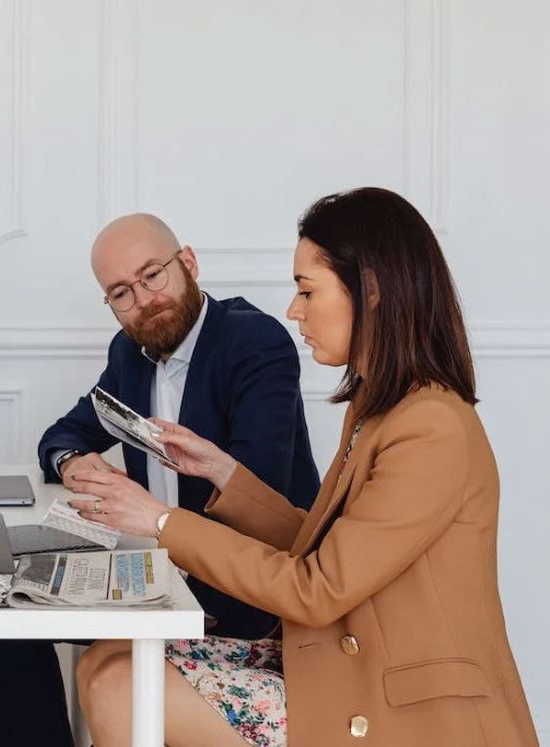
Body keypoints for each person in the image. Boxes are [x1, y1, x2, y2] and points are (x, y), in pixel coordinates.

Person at [70, 188, 538, 746]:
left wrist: (160, 522)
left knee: (121, 685)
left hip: (402, 707)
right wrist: (224, 473)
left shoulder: (430, 426)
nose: (293, 309)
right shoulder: (382, 408)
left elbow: (316, 589)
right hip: (352, 661)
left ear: (372, 292)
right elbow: (327, 549)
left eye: (306, 290)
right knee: (106, 659)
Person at [0, 214, 321, 746]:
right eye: (121, 292)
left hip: (242, 597)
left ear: (187, 263)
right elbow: (63, 434)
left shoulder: (253, 341)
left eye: (152, 276)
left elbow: (259, 495)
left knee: (101, 663)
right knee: (9, 614)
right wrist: (74, 461)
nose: (143, 299)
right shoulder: (130, 354)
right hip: (160, 577)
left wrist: (153, 517)